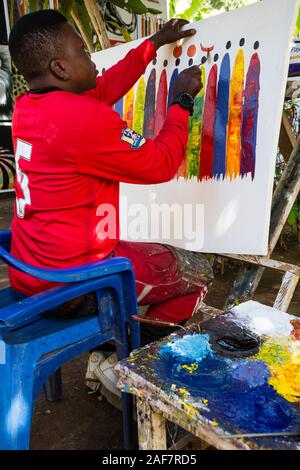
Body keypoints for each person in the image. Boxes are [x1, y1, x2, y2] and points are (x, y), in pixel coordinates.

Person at [8, 10, 214, 400]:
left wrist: (152, 45)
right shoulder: (84, 121)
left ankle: (114, 347)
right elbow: (161, 162)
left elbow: (102, 88)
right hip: (74, 286)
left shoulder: (29, 108)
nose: (91, 60)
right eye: (83, 51)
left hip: (30, 271)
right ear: (60, 67)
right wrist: (182, 100)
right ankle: (125, 364)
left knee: (154, 262)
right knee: (193, 272)